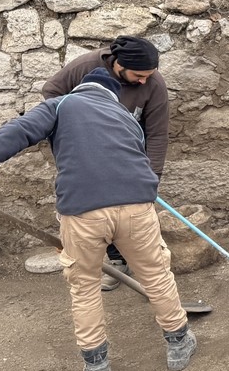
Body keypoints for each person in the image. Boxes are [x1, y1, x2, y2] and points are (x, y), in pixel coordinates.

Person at [0, 68, 195, 371]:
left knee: (85, 287)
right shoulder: (126, 117)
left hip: (82, 213)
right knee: (157, 275)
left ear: (80, 90)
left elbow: (15, 132)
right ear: (112, 95)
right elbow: (135, 162)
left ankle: (97, 369)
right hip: (137, 207)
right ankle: (178, 345)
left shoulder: (60, 105)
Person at [42, 35, 168, 290]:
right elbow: (52, 93)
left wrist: (152, 177)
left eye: (149, 75)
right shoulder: (84, 68)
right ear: (118, 64)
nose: (144, 80)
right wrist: (69, 131)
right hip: (86, 154)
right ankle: (105, 264)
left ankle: (133, 265)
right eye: (138, 75)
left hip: (128, 157)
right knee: (95, 210)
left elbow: (157, 133)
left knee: (129, 211)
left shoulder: (153, 84)